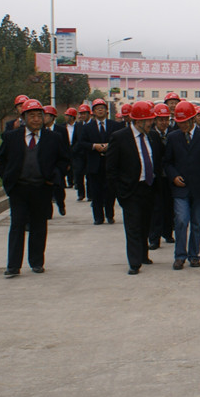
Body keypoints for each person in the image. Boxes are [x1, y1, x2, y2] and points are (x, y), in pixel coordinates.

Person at [0, 99, 69, 277]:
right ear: (24, 118)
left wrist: (53, 178)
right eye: (31, 116)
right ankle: (13, 266)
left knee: (39, 226)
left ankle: (36, 262)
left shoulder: (53, 138)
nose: (36, 119)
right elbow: (1, 159)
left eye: (38, 116)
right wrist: (8, 180)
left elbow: (64, 160)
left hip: (42, 188)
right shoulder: (11, 137)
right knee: (17, 225)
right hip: (19, 189)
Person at [106, 101, 163, 275]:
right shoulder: (119, 137)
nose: (151, 123)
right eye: (149, 120)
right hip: (130, 190)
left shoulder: (153, 137)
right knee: (133, 226)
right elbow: (111, 168)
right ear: (138, 121)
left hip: (149, 187)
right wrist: (120, 192)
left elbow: (159, 160)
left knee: (145, 223)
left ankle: (143, 255)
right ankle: (134, 262)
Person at [164, 101, 200, 269]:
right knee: (181, 220)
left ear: (192, 120)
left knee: (197, 223)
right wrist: (174, 176)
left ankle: (194, 255)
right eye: (179, 122)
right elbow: (167, 162)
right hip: (180, 188)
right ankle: (179, 256)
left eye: (184, 122)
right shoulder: (173, 137)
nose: (182, 125)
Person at [76, 98, 120, 225]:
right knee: (96, 192)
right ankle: (98, 217)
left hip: (110, 163)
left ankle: (110, 215)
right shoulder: (87, 127)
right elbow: (81, 143)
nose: (100, 110)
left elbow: (119, 141)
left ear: (106, 111)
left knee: (110, 191)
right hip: (94, 164)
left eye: (102, 108)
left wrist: (109, 146)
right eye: (97, 109)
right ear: (93, 112)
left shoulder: (114, 125)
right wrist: (93, 146)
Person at [148, 103, 175, 249]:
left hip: (170, 176)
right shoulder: (150, 135)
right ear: (155, 120)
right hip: (156, 176)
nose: (164, 122)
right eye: (160, 119)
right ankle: (154, 238)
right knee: (156, 208)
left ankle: (168, 233)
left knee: (169, 206)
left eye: (166, 119)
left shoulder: (174, 133)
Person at [43, 105, 68, 217]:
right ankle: (48, 212)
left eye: (46, 115)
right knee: (46, 189)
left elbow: (66, 147)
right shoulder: (40, 130)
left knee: (59, 187)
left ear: (53, 117)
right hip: (45, 164)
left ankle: (61, 204)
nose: (44, 118)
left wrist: (67, 163)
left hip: (57, 164)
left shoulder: (61, 130)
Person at [73, 104, 91, 201]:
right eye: (81, 114)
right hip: (79, 154)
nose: (82, 115)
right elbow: (75, 139)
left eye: (84, 113)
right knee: (78, 173)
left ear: (89, 114)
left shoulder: (93, 124)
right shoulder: (78, 125)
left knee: (90, 175)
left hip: (90, 153)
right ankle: (81, 194)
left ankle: (90, 195)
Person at [62, 107, 78, 188]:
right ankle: (68, 182)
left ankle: (75, 182)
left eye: (67, 115)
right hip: (65, 148)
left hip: (75, 149)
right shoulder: (62, 126)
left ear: (72, 117)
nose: (65, 117)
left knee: (75, 166)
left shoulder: (78, 126)